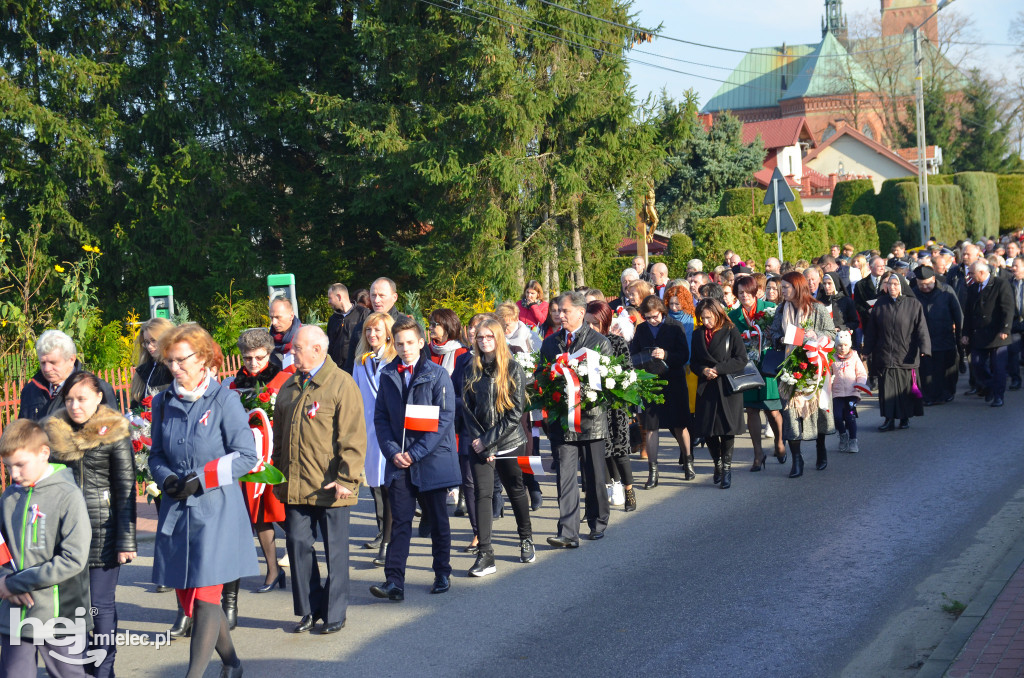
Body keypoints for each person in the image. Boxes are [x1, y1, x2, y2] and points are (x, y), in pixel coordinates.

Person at [148, 323, 258, 678]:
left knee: (208, 595)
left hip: (216, 511)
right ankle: (233, 663)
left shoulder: (224, 398)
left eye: (181, 360)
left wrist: (202, 478)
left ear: (203, 359)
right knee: (190, 598)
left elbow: (246, 455)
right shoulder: (162, 401)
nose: (174, 367)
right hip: (177, 511)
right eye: (170, 361)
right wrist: (165, 478)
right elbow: (156, 455)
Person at [273, 326, 366, 634]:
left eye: (297, 348)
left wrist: (346, 479)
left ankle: (336, 612)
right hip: (296, 483)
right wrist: (276, 474)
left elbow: (353, 437)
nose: (292, 352)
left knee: (335, 551)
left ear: (316, 350)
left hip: (331, 484)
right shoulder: (290, 386)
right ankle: (311, 609)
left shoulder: (341, 384)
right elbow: (279, 437)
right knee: (298, 543)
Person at [44, 372, 135, 678]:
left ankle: (103, 669)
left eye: (81, 399)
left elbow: (125, 486)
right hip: (64, 534)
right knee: (71, 607)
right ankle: (79, 667)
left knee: (99, 606)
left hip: (103, 530)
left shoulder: (114, 431)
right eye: (69, 399)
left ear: (98, 398)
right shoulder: (54, 431)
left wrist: (126, 540)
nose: (74, 405)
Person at [371, 317, 460, 601]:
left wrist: (415, 453)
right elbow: (381, 418)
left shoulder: (437, 375)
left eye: (410, 342)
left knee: (437, 519)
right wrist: (392, 451)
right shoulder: (387, 374)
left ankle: (442, 572)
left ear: (421, 342)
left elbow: (444, 419)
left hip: (431, 460)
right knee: (400, 522)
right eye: (399, 343)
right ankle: (394, 582)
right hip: (400, 461)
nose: (405, 348)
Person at [0, 419, 93, 677]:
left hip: (60, 616)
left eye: (20, 465)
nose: (13, 474)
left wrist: (16, 582)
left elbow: (73, 559)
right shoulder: (8, 497)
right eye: (8, 467)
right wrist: (4, 580)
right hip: (15, 615)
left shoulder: (68, 495)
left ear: (43, 453)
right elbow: (0, 545)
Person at [462, 318, 534, 576]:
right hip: (479, 443)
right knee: (483, 493)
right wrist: (481, 443)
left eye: (488, 337)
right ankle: (485, 553)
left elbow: (515, 415)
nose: (483, 341)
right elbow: (467, 410)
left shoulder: (513, 368)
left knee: (515, 490)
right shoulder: (471, 369)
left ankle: (525, 537)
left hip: (509, 442)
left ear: (498, 338)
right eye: (479, 337)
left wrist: (489, 442)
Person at [539, 292, 612, 547]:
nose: (560, 315)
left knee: (593, 476)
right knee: (565, 477)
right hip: (561, 421)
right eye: (557, 311)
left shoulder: (599, 342)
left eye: (565, 311)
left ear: (581, 312)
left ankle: (597, 520)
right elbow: (541, 378)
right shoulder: (550, 343)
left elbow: (605, 382)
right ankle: (568, 532)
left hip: (591, 419)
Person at [228, 329, 291, 596]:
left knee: (288, 515)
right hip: (248, 460)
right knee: (259, 515)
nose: (253, 363)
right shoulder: (234, 383)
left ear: (269, 353)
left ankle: (303, 565)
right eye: (247, 358)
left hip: (278, 456)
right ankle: (273, 570)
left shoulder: (285, 379)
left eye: (259, 357)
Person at [769, 272, 837, 478]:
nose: (782, 291)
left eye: (786, 287)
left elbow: (831, 333)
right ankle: (796, 459)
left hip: (814, 367)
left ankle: (821, 448)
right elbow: (773, 333)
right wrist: (781, 340)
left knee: (816, 410)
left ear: (797, 287)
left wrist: (817, 336)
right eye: (782, 287)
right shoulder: (782, 309)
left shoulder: (817, 308)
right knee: (790, 413)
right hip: (789, 367)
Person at [352, 312, 398, 568]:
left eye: (377, 330)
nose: (372, 335)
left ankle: (388, 542)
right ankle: (384, 532)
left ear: (388, 332)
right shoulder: (361, 361)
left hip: (391, 430)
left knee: (390, 485)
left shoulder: (395, 359)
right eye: (368, 331)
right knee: (376, 483)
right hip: (369, 430)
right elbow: (356, 396)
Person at [630, 295, 691, 489]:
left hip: (674, 381)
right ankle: (653, 472)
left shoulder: (675, 326)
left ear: (662, 312)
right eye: (647, 317)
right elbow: (634, 354)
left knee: (679, 425)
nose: (651, 321)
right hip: (651, 383)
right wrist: (647, 356)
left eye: (655, 317)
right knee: (651, 427)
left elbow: (684, 355)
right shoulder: (641, 329)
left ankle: (688, 460)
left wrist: (666, 354)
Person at [729, 276, 786, 471]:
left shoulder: (769, 308)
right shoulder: (733, 315)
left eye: (747, 292)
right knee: (752, 409)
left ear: (755, 292)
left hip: (768, 363)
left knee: (772, 408)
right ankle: (758, 453)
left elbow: (781, 333)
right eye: (740, 292)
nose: (744, 296)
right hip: (747, 366)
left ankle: (779, 442)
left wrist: (772, 334)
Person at [691, 298, 747, 489]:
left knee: (726, 429)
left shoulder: (730, 330)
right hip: (706, 387)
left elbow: (741, 359)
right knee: (708, 430)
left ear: (718, 314)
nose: (706, 322)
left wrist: (718, 369)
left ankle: (727, 469)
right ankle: (717, 463)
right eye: (702, 318)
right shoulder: (698, 334)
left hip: (727, 386)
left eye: (709, 317)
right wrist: (703, 370)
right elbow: (694, 362)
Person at [585, 302, 637, 511]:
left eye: (595, 323)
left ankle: (629, 489)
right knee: (602, 451)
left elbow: (628, 372)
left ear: (605, 322)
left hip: (615, 405)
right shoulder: (583, 344)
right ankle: (607, 488)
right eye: (587, 323)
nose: (590, 328)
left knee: (620, 450)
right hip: (593, 405)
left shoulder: (616, 342)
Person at [864, 274, 931, 430]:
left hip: (906, 354)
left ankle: (904, 418)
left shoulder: (913, 304)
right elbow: (872, 330)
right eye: (889, 284)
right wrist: (866, 350)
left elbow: (921, 328)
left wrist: (925, 348)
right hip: (885, 353)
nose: (892, 287)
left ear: (902, 286)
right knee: (887, 389)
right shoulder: (880, 304)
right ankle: (888, 419)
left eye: (895, 284)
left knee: (903, 389)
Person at [18, 329, 116, 422]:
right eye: (43, 363)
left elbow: (113, 433)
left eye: (53, 362)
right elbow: (22, 432)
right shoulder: (30, 391)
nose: (47, 369)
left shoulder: (97, 389)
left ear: (71, 360)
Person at [962, 261, 1015, 407]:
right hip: (978, 334)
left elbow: (1008, 308)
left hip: (998, 334)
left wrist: (1005, 329)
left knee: (998, 367)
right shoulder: (973, 288)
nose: (969, 275)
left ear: (981, 273)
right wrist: (965, 333)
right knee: (977, 363)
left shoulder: (1000, 284)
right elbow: (968, 313)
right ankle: (990, 386)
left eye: (972, 273)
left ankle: (998, 396)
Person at [913, 266, 963, 405]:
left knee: (944, 369)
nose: (925, 287)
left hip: (944, 336)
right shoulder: (914, 293)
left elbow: (958, 315)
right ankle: (928, 396)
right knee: (926, 369)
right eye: (921, 284)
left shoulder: (946, 291)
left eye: (928, 283)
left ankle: (946, 393)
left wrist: (960, 335)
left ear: (934, 279)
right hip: (923, 339)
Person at [830, 331, 868, 453]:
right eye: (840, 345)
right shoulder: (832, 358)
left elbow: (861, 373)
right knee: (837, 417)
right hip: (837, 394)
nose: (843, 348)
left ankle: (853, 440)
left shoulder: (854, 357)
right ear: (836, 346)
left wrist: (860, 384)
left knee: (850, 416)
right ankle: (842, 435)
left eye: (845, 345)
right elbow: (828, 373)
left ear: (850, 345)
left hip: (852, 393)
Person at [129, 317, 174, 409]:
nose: (149, 346)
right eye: (146, 342)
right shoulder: (143, 371)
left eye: (154, 340)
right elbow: (135, 405)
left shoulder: (177, 369)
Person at [326, 282, 370, 374]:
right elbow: (330, 346)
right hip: (338, 371)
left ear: (339, 297)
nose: (328, 302)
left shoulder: (363, 314)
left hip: (358, 368)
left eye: (330, 298)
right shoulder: (333, 319)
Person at [427, 308, 468, 376]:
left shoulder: (462, 352)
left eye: (434, 324)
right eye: (430, 324)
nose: (430, 327)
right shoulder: (426, 350)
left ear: (447, 326)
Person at [268, 297, 301, 369]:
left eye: (278, 317)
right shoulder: (267, 344)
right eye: (272, 317)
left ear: (291, 316)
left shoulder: (307, 339)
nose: (273, 322)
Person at [1009, 256, 1024, 391]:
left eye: (1016, 266)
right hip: (1014, 324)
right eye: (1012, 265)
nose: (1013, 268)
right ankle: (1015, 379)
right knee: (1013, 352)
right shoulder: (1007, 283)